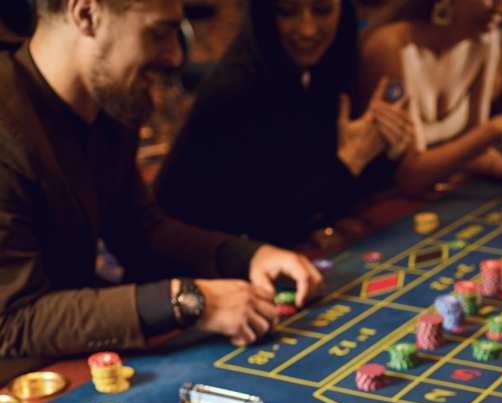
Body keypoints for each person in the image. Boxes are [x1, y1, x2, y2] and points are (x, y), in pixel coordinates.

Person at [0, 0, 323, 403]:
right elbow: (13, 320)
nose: (175, 56)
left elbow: (140, 232)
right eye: (160, 32)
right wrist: (194, 300)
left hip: (45, 348)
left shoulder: (107, 100)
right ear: (86, 14)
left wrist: (247, 256)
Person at [154, 0, 414, 248]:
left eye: (323, 10)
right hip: (199, 266)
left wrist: (385, 149)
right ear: (264, 15)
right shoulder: (235, 91)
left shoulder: (321, 73)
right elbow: (270, 222)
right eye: (287, 12)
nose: (307, 29)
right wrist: (349, 162)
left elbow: (332, 199)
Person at [360, 0, 502, 196]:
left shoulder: (484, 40)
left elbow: (472, 150)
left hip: (437, 197)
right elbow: (411, 176)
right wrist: (498, 128)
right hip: (380, 203)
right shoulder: (390, 46)